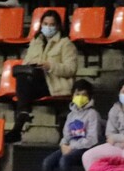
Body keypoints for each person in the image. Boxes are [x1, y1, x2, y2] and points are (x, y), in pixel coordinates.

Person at [6, 8, 77, 144]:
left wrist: (50, 66)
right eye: (45, 24)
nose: (48, 27)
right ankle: (21, 118)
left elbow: (70, 69)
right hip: (35, 83)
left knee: (25, 80)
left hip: (54, 84)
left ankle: (20, 121)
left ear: (58, 26)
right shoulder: (35, 42)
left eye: (52, 24)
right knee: (23, 75)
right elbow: (26, 61)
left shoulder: (66, 44)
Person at [42, 79, 100, 171]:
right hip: (69, 147)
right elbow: (66, 135)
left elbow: (92, 139)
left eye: (84, 94)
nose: (80, 97)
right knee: (47, 162)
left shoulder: (93, 114)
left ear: (89, 97)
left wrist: (72, 147)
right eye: (77, 94)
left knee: (64, 161)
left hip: (84, 149)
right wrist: (63, 144)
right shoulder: (71, 115)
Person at [82, 77, 124, 170]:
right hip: (118, 145)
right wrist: (120, 142)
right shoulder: (115, 108)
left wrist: (116, 139)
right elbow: (109, 134)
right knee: (88, 156)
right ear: (119, 93)